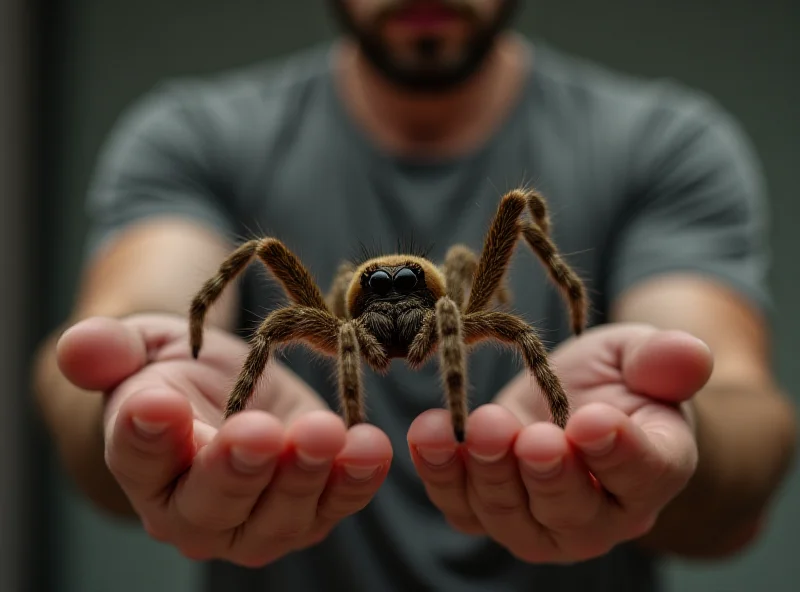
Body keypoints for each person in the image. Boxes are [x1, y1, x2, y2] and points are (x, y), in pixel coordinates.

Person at [33, 1, 796, 590]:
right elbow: (139, 307)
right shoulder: (190, 135)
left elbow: (734, 393)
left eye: (408, 292)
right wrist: (142, 373)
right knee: (266, 262)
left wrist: (680, 421)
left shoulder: (668, 143)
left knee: (512, 235)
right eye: (381, 292)